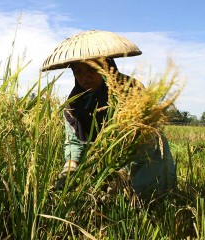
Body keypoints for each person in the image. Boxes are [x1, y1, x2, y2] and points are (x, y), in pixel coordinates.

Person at [54, 58, 177, 199]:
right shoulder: (74, 104)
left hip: (146, 163)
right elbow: (74, 141)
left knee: (150, 202)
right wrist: (69, 167)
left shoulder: (131, 91)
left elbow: (145, 138)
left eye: (91, 69)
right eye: (78, 72)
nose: (84, 77)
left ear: (106, 68)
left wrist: (121, 174)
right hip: (109, 167)